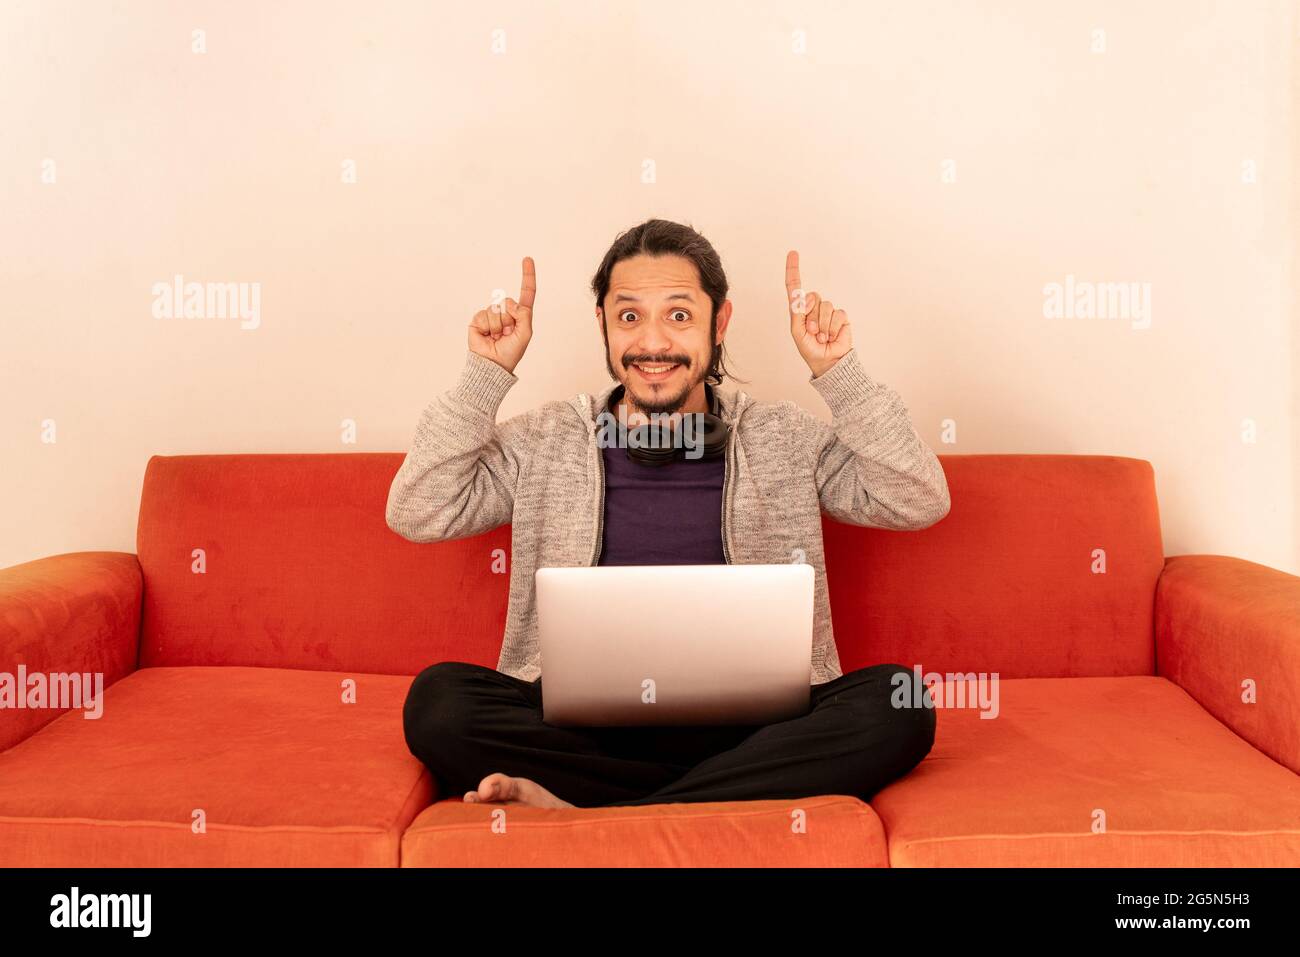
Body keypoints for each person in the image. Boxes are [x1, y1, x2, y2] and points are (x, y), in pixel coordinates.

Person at [388, 219, 949, 809]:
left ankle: (603, 804)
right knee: (439, 702)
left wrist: (841, 376)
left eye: (679, 315)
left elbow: (917, 498)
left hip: (757, 731)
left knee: (898, 698)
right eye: (629, 316)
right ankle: (714, 797)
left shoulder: (783, 436)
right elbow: (420, 510)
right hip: (584, 731)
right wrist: (486, 376)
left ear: (719, 322)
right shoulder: (544, 439)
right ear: (602, 323)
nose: (652, 343)